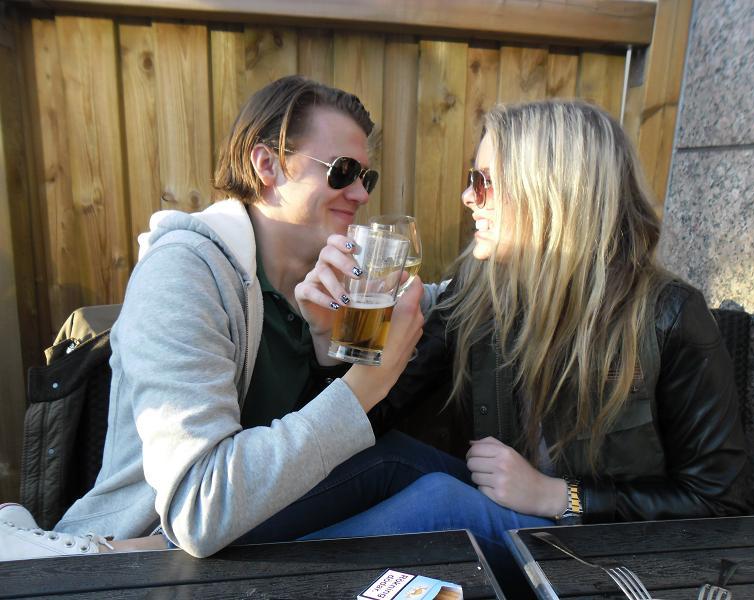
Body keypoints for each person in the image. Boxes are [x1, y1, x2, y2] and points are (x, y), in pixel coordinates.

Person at [0, 76, 469, 560]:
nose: (361, 194)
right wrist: (367, 383)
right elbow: (199, 506)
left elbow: (439, 296)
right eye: (342, 171)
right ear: (266, 165)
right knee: (427, 489)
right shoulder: (183, 273)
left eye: (365, 178)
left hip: (262, 530)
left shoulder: (333, 277)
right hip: (151, 551)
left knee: (431, 489)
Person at [298, 100, 751, 588]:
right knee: (383, 457)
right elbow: (373, 415)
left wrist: (558, 495)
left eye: (484, 182)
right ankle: (242, 560)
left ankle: (272, 588)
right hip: (509, 511)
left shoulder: (667, 315)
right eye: (471, 179)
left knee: (440, 501)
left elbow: (719, 501)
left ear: (552, 192)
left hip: (601, 553)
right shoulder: (479, 291)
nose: (467, 197)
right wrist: (329, 340)